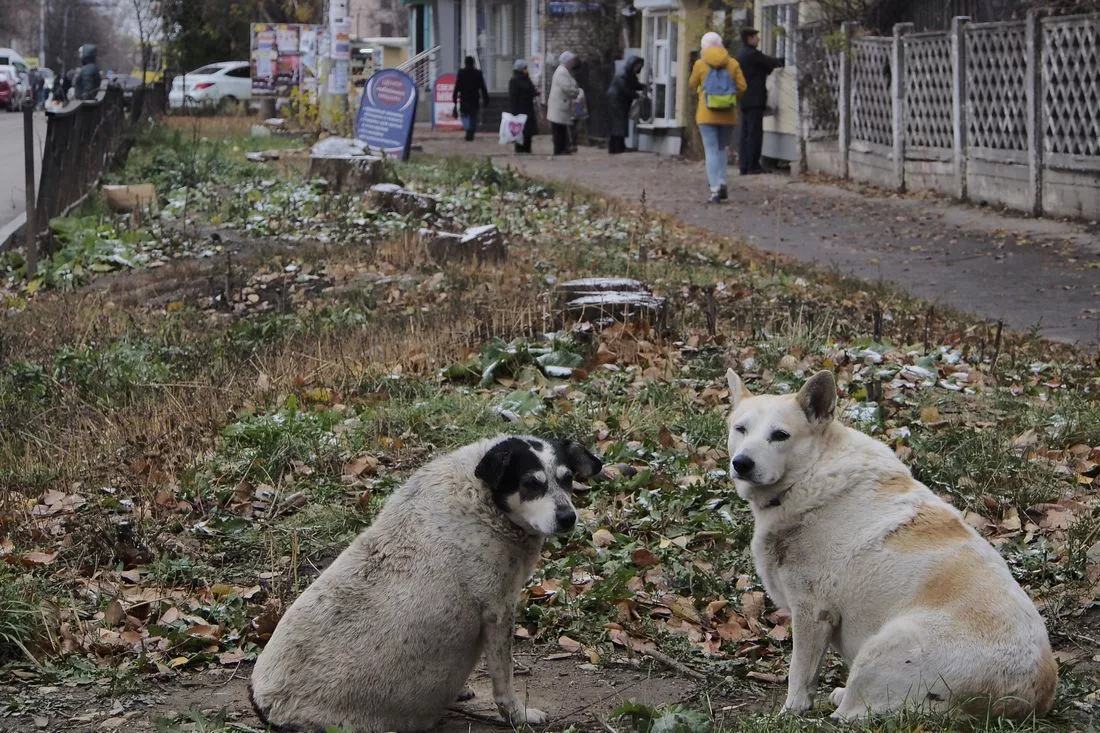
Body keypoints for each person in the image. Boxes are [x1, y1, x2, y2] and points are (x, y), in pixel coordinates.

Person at [689, 32, 747, 203]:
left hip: (706, 114)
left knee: (711, 150)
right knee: (722, 148)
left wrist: (704, 93)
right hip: (728, 114)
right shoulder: (733, 63)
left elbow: (692, 84)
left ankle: (714, 189)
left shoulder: (700, 64)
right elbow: (742, 86)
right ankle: (722, 181)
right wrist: (730, 99)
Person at [737, 28, 785, 175]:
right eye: (756, 37)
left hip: (745, 99)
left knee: (745, 133)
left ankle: (744, 164)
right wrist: (783, 60)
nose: (758, 39)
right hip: (755, 99)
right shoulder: (752, 54)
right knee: (754, 133)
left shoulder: (741, 54)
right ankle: (753, 165)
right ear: (749, 38)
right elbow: (771, 62)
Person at [606, 55, 644, 155]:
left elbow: (633, 84)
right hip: (616, 101)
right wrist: (636, 95)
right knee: (619, 124)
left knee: (618, 124)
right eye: (638, 66)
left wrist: (642, 87)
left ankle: (616, 147)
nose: (638, 69)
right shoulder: (623, 73)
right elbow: (625, 88)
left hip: (618, 100)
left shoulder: (627, 72)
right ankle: (617, 147)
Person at [547, 51, 580, 156]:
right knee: (558, 129)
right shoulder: (562, 72)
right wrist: (576, 91)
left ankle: (562, 148)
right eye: (572, 61)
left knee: (561, 128)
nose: (573, 63)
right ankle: (559, 149)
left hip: (561, 105)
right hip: (559, 106)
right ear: (568, 61)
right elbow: (567, 87)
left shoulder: (564, 71)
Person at [452, 56, 489, 142]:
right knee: (473, 116)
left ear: (465, 63)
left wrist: (454, 98)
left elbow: (457, 87)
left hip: (464, 98)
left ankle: (468, 128)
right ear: (473, 63)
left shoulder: (461, 73)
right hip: (474, 98)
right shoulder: (478, 73)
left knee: (464, 115)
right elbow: (483, 87)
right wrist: (486, 98)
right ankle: (471, 130)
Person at [507, 59, 539, 154]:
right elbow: (513, 96)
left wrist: (535, 93)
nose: (526, 70)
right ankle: (520, 148)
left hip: (528, 108)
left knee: (528, 131)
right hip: (519, 109)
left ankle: (527, 148)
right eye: (525, 68)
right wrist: (514, 111)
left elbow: (531, 90)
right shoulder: (514, 80)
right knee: (519, 130)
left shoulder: (527, 79)